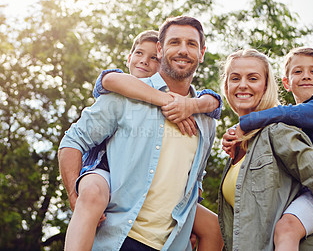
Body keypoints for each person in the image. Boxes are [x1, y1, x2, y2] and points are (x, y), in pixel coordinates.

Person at [59, 16, 223, 251]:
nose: (183, 50)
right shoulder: (124, 94)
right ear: (161, 47)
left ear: (202, 52)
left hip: (170, 245)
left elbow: (195, 180)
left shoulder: (206, 121)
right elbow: (73, 140)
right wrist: (75, 197)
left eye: (192, 44)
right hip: (115, 240)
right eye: (175, 42)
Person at [222, 47, 313, 250]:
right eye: (298, 72)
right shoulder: (284, 127)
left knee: (287, 229)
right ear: (286, 83)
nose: (306, 77)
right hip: (304, 198)